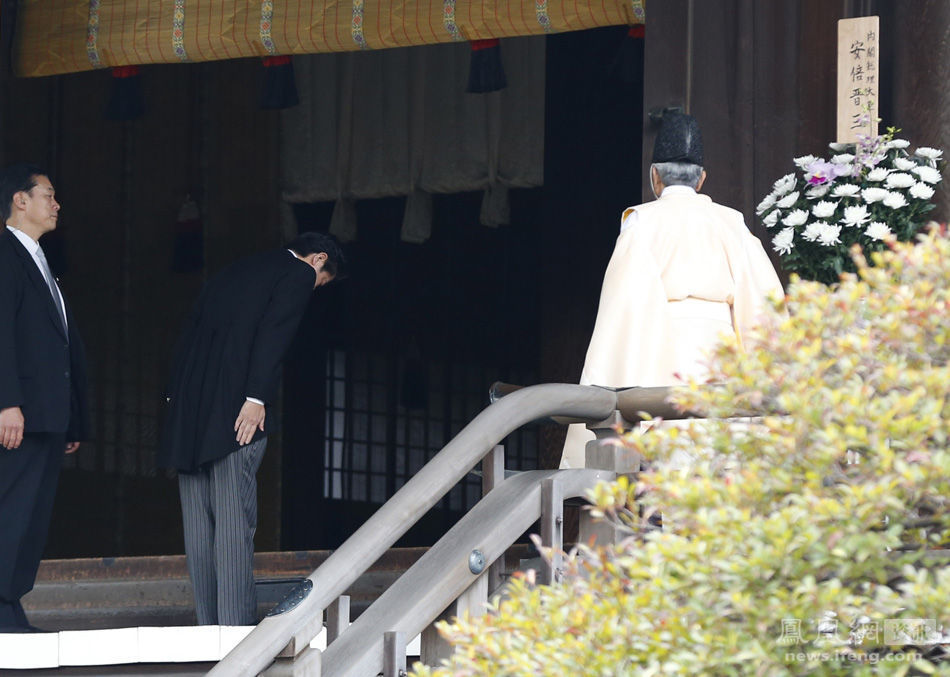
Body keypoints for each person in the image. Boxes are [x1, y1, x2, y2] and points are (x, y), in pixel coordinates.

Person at [560, 112, 783, 468]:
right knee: (722, 471)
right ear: (702, 180)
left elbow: (624, 309)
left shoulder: (642, 222)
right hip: (724, 366)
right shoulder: (732, 224)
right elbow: (762, 306)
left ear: (655, 177)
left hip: (664, 362)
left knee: (671, 474)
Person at [158, 231, 344, 626]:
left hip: (190, 414)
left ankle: (208, 627)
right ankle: (234, 629)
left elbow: (189, 334)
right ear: (318, 259)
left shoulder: (236, 270)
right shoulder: (296, 274)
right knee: (233, 523)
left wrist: (175, 401)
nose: (316, 288)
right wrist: (256, 398)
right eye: (322, 282)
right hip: (235, 415)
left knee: (198, 525)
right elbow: (275, 335)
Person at [0, 164, 89, 632]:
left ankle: (9, 604)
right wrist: (5, 401)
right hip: (18, 414)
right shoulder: (5, 254)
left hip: (46, 416)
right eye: (48, 195)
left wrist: (71, 417)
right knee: (11, 508)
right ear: (21, 200)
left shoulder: (39, 259)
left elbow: (60, 343)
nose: (56, 204)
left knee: (31, 515)